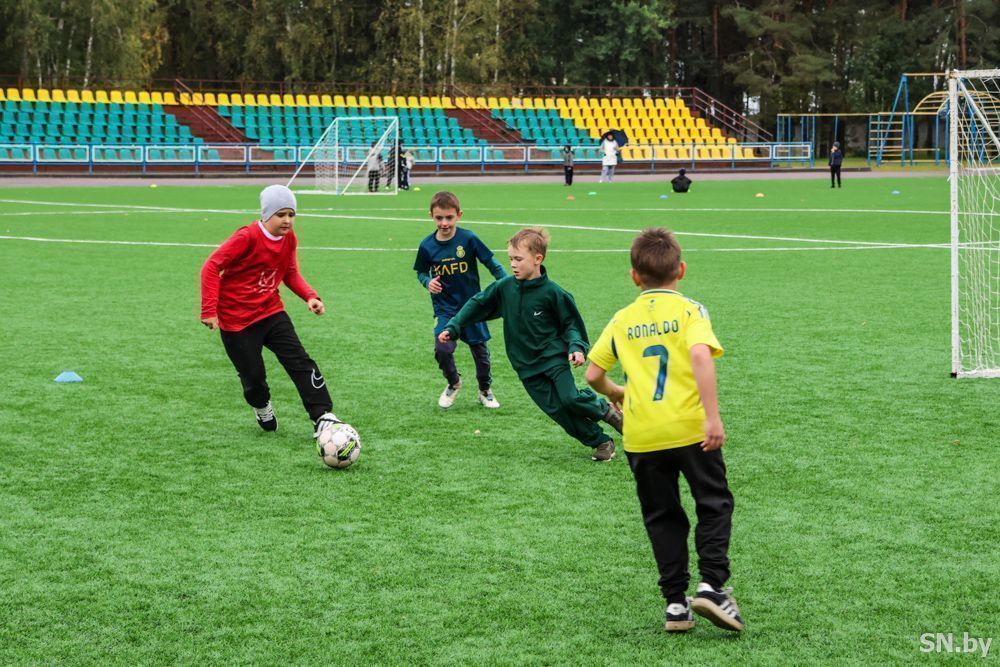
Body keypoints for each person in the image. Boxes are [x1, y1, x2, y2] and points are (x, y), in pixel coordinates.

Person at [585, 228, 742, 633]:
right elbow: (700, 357)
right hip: (690, 428)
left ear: (634, 276)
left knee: (662, 515)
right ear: (681, 270)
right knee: (714, 503)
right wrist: (713, 417)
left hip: (642, 435)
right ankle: (711, 586)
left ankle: (675, 604)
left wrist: (617, 392)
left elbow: (593, 374)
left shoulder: (623, 318)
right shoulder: (691, 311)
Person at [439, 227, 623, 461]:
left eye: (518, 259)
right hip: (525, 366)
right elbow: (478, 303)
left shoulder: (553, 293)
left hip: (553, 359)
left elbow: (571, 324)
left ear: (538, 259)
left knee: (570, 398)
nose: (513, 264)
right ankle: (601, 441)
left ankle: (607, 411)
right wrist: (454, 326)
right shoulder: (504, 287)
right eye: (510, 259)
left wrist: (576, 347)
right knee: (558, 411)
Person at [200, 184, 342, 439]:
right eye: (281, 214)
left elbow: (290, 272)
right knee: (253, 378)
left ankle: (322, 416)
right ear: (266, 214)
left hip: (271, 312)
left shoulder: (289, 238)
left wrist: (310, 296)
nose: (287, 220)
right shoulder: (247, 237)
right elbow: (211, 266)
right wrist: (209, 309)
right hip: (237, 321)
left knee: (300, 361)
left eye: (291, 214)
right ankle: (261, 405)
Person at [415, 191, 507, 409]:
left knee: (481, 355)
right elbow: (421, 272)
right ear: (431, 216)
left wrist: (507, 284)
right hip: (445, 309)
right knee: (442, 349)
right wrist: (427, 282)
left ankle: (485, 390)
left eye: (449, 217)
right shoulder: (427, 245)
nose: (444, 223)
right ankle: (453, 383)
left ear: (459, 215)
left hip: (473, 307)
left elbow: (492, 263)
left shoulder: (469, 239)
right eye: (439, 218)